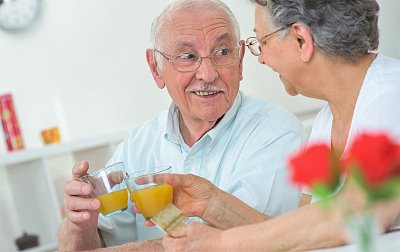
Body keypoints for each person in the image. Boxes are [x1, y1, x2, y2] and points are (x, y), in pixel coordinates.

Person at [57, 0, 308, 251]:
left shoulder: (276, 131)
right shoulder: (139, 143)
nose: (208, 74)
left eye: (222, 52)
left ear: (240, 59)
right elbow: (91, 240)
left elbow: (233, 243)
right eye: (188, 57)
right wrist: (79, 226)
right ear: (156, 68)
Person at [161, 0, 400, 251]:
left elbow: (358, 213)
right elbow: (304, 235)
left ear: (301, 40)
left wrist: (221, 243)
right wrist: (212, 204)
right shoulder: (326, 121)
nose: (261, 58)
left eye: (261, 41)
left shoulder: (391, 94)